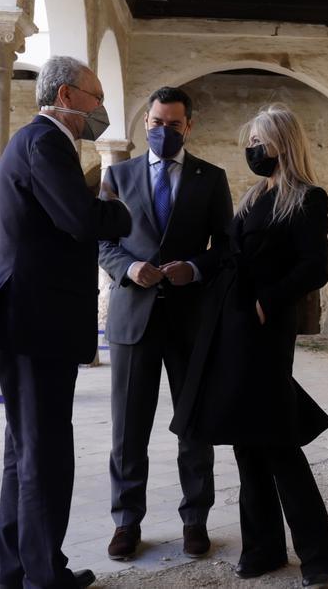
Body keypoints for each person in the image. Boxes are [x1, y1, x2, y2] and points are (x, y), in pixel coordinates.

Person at [0, 55, 132, 589]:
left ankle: (18, 570)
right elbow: (80, 221)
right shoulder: (46, 142)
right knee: (44, 453)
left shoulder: (38, 144)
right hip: (36, 321)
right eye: (94, 96)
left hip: (29, 318)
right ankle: (42, 576)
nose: (99, 108)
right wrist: (119, 211)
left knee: (26, 449)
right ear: (64, 96)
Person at [171, 104, 328, 588]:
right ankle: (262, 547)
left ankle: (318, 555)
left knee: (278, 442)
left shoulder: (307, 199)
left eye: (260, 142)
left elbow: (314, 267)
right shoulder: (252, 197)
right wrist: (196, 268)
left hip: (266, 330)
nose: (252, 150)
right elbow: (229, 253)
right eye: (250, 142)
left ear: (282, 144)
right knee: (247, 441)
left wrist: (269, 301)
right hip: (230, 327)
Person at [97, 86, 232, 560]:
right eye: (156, 123)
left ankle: (195, 518)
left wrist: (194, 268)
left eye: (173, 124)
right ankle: (126, 522)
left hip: (191, 319)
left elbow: (226, 250)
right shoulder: (117, 175)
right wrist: (129, 269)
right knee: (128, 429)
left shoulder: (211, 179)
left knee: (193, 425)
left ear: (188, 126)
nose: (163, 131)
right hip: (134, 317)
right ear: (145, 123)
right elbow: (104, 243)